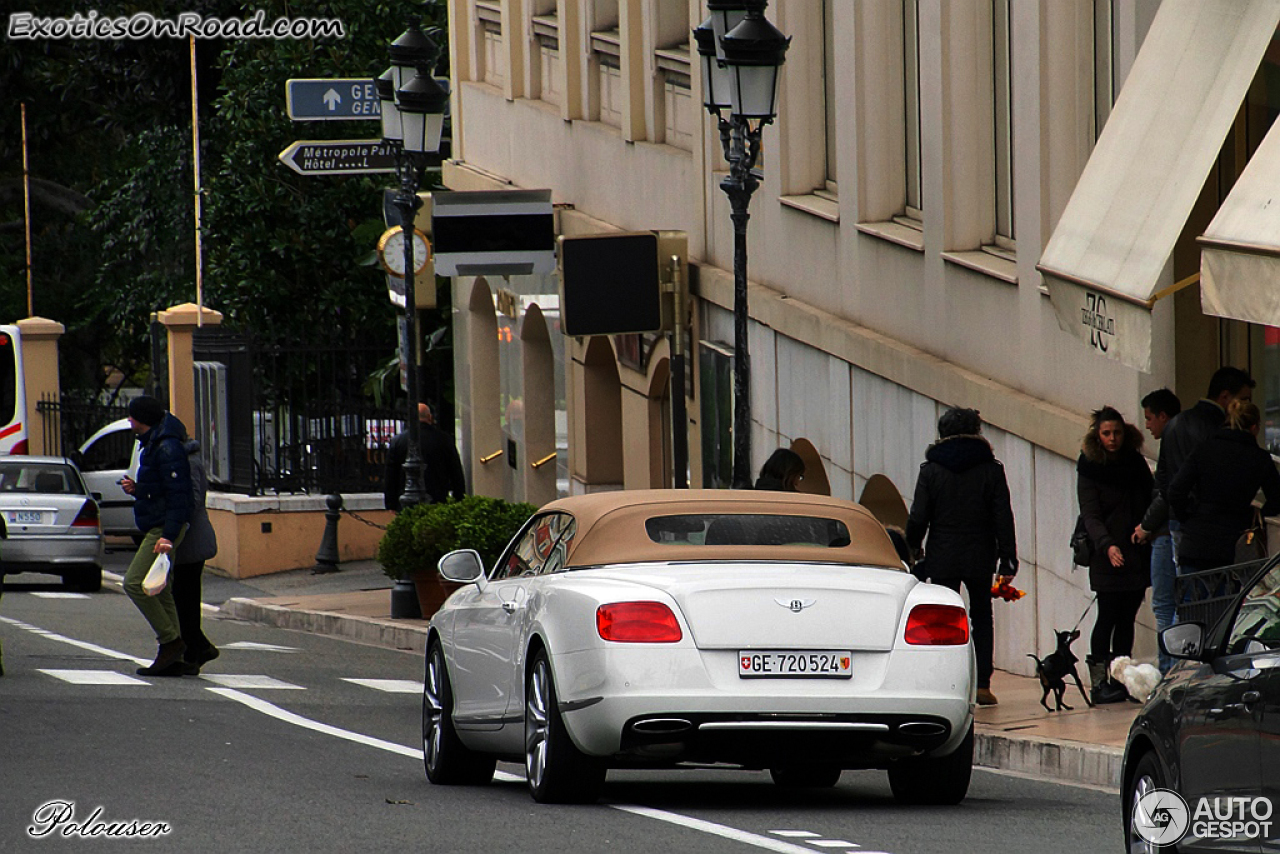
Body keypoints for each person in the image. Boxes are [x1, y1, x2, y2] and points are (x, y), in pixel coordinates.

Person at [905, 407, 1017, 706]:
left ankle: (946, 683)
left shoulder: (930, 470)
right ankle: (982, 685)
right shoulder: (992, 469)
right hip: (981, 553)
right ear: (976, 432)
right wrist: (1008, 558)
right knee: (981, 616)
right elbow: (1002, 516)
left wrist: (912, 548)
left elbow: (918, 517)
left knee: (942, 620)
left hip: (943, 554)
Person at [1077, 406, 1152, 704]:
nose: (1112, 439)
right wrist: (1107, 545)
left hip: (1135, 550)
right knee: (1106, 616)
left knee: (1127, 619)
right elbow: (1090, 514)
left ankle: (1123, 679)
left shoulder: (1134, 462)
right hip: (1105, 553)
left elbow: (1151, 496)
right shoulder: (1089, 466)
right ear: (1098, 435)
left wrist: (1145, 527)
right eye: (1106, 433)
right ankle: (1099, 683)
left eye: (1117, 433)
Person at [120, 396, 193, 677]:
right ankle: (173, 656)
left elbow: (179, 495)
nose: (129, 421)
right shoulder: (155, 442)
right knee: (160, 588)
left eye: (132, 416)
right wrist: (137, 490)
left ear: (142, 419)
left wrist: (169, 535)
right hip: (162, 523)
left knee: (135, 583)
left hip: (163, 527)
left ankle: (170, 642)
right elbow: (162, 490)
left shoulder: (166, 447)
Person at [1168, 401, 1280, 574]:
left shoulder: (1204, 449)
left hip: (1196, 542)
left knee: (1194, 599)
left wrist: (1190, 516)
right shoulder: (1260, 459)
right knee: (1228, 599)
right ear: (1254, 427)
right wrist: (1254, 516)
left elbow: (1175, 491)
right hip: (1233, 545)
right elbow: (1277, 498)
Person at [1134, 388, 1181, 673]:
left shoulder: (1173, 442)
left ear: (1163, 416)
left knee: (1164, 606)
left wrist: (1145, 526)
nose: (1148, 425)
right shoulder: (1187, 438)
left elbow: (1165, 493)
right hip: (1177, 531)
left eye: (1150, 418)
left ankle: (1168, 670)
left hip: (1165, 533)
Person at [172, 437, 219, 672]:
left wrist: (174, 522)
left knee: (185, 598)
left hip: (191, 539)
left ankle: (196, 649)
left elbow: (192, 500)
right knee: (183, 597)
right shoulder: (187, 460)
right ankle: (195, 649)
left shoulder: (189, 463)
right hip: (189, 539)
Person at [384, 403, 467, 511]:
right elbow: (455, 471)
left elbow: (391, 475)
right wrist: (459, 498)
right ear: (430, 417)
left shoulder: (398, 441)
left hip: (406, 503)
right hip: (437, 499)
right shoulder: (444, 440)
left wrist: (391, 504)